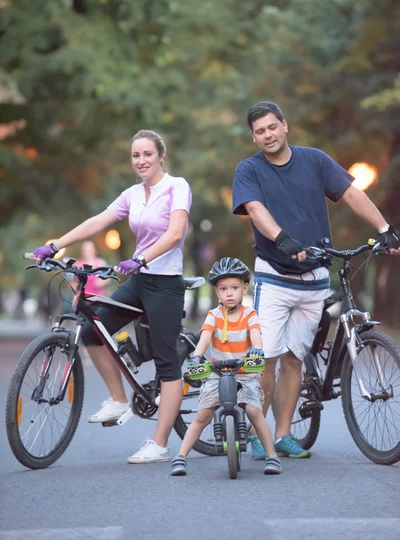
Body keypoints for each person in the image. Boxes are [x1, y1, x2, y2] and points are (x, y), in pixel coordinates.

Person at [232, 101, 400, 460]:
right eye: (260, 131)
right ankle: (257, 430)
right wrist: (281, 239)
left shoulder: (315, 160)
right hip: (274, 277)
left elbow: (351, 193)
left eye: (272, 127)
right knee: (268, 358)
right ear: (253, 136)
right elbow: (256, 210)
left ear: (285, 126)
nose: (268, 135)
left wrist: (384, 229)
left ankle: (281, 436)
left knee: (294, 358)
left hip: (314, 278)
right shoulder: (249, 170)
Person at [30, 129, 192, 464]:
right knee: (92, 331)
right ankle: (119, 399)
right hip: (139, 280)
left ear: (161, 155)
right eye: (135, 155)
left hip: (164, 283)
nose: (141, 160)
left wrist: (141, 258)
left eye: (148, 154)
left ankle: (160, 444)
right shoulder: (133, 194)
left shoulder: (178, 187)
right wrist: (56, 245)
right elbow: (99, 220)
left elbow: (175, 233)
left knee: (167, 364)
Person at [171, 257, 282, 476]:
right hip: (217, 373)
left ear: (244, 287)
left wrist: (257, 350)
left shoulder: (249, 314)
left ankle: (272, 455)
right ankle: (180, 456)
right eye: (223, 289)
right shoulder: (214, 315)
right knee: (202, 414)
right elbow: (204, 337)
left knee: (253, 411)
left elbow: (256, 335)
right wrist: (197, 355)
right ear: (216, 292)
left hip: (245, 373)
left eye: (234, 287)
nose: (229, 293)